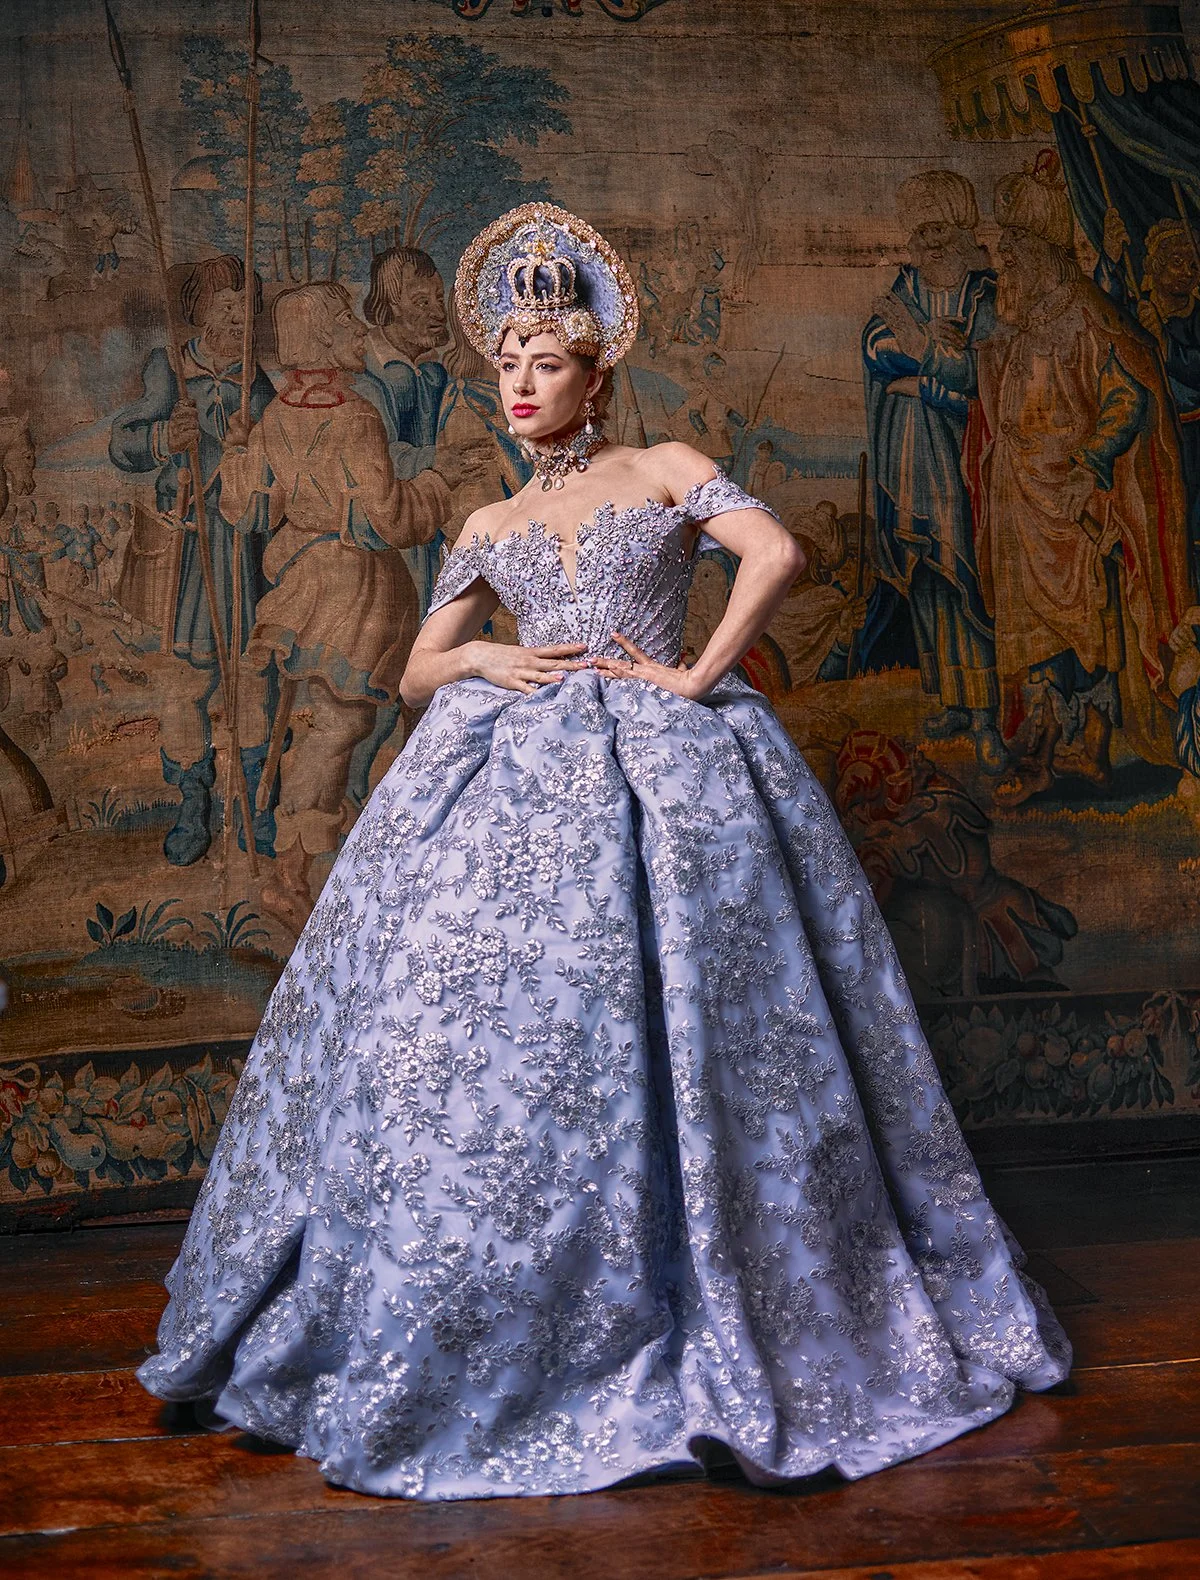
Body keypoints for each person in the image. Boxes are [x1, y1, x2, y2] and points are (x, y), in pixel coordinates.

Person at [138, 204, 1069, 1500]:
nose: (520, 386)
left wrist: (695, 675)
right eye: (506, 364)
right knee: (481, 1019)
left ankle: (731, 1292)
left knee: (708, 1011)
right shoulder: (488, 519)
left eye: (547, 363)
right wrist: (481, 655)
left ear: (598, 373)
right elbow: (413, 669)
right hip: (515, 769)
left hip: (673, 761)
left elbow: (777, 551)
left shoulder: (667, 464)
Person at [220, 283, 461, 932]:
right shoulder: (354, 415)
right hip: (353, 585)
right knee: (338, 727)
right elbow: (386, 517)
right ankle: (293, 870)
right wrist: (441, 485)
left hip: (304, 576)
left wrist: (243, 455)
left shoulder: (277, 416)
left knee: (330, 724)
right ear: (324, 340)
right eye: (346, 322)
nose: (360, 331)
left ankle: (319, 853)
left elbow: (251, 510)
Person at [973, 154, 1191, 805]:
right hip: (1022, 503)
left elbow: (1130, 395)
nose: (1001, 271)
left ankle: (1090, 742)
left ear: (1042, 257)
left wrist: (1092, 462)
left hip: (1070, 504)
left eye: (1011, 260)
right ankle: (1039, 740)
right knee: (1033, 631)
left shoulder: (1085, 317)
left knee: (1087, 630)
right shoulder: (1025, 323)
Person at [109, 254, 278, 865]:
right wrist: (164, 439)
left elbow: (278, 459)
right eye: (225, 306)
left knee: (255, 675)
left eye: (246, 307)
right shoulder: (172, 369)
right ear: (199, 312)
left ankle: (256, 803)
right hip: (185, 548)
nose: (238, 318)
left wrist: (251, 442)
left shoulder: (256, 380)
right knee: (185, 682)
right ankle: (192, 803)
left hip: (244, 545)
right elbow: (122, 442)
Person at [863, 171, 1005, 770]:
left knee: (963, 572)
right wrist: (932, 355)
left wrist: (924, 362)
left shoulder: (985, 294)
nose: (930, 243)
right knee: (924, 574)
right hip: (906, 456)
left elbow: (984, 375)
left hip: (961, 459)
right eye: (921, 232)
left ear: (963, 230)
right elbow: (874, 347)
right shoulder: (907, 285)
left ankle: (985, 715)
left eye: (941, 229)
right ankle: (950, 697)